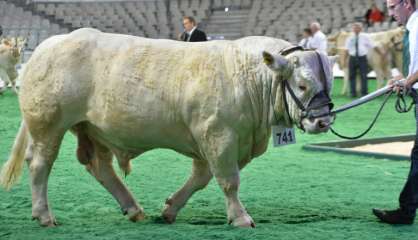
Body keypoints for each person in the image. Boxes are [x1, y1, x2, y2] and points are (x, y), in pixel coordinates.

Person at [372, 0, 418, 225]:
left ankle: (406, 211)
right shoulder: (413, 27)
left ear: (407, 3)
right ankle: (406, 210)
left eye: (392, 7)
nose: (390, 13)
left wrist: (408, 81)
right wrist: (404, 79)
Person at [344, 22, 384, 97]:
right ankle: (353, 92)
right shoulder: (350, 38)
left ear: (361, 29)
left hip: (362, 58)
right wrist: (344, 59)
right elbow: (346, 49)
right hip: (352, 58)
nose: (356, 29)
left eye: (358, 27)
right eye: (355, 27)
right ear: (353, 29)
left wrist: (381, 53)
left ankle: (364, 92)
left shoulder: (365, 37)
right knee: (352, 76)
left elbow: (373, 45)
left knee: (363, 75)